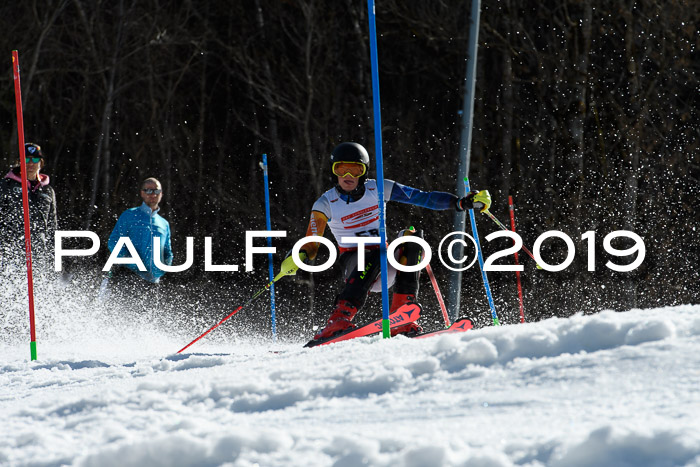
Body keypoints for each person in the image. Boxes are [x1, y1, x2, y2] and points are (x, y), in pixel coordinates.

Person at [280, 142, 491, 341]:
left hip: (386, 263)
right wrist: (300, 255)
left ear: (364, 172)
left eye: (355, 170)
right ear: (333, 172)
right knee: (370, 253)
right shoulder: (325, 203)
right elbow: (313, 242)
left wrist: (461, 203)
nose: (347, 176)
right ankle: (338, 319)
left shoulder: (379, 188)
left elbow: (423, 198)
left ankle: (402, 314)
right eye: (341, 169)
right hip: (355, 265)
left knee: (413, 239)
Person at [106, 178, 173, 302]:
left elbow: (167, 252)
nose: (153, 194)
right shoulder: (129, 215)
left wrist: (162, 269)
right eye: (148, 190)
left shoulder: (164, 224)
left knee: (147, 319)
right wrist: (130, 261)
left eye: (156, 190)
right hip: (127, 276)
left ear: (161, 194)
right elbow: (114, 241)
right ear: (142, 193)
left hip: (152, 283)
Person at [0, 142, 57, 272]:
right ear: (19, 162)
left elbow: (52, 226)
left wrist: (53, 257)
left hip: (38, 255)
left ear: (41, 162)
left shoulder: (48, 190)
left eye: (35, 159)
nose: (30, 163)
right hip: (10, 253)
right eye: (26, 159)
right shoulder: (6, 186)